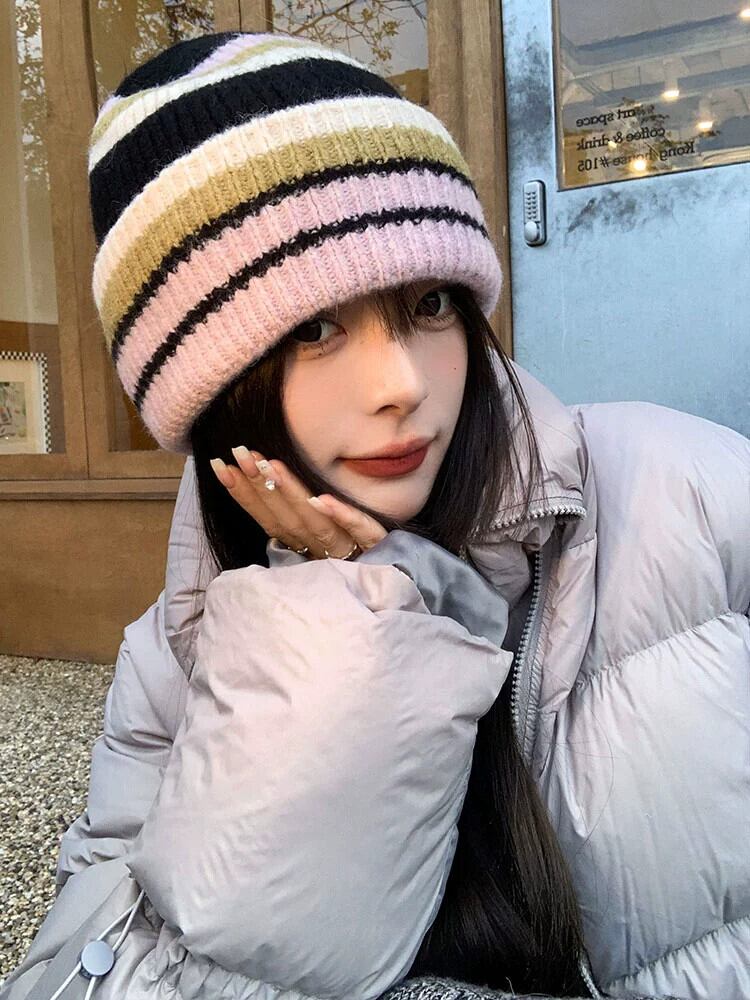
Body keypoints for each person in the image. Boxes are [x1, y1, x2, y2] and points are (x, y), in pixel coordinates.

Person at [1, 29, 748, 1000]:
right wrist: (340, 635)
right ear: (212, 390)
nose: (401, 383)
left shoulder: (695, 497)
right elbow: (91, 976)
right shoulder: (174, 654)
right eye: (315, 328)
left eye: (430, 304)